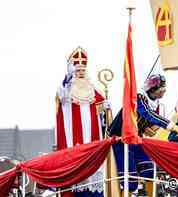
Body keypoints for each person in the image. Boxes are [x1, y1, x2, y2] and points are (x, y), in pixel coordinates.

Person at [108, 74, 178, 196]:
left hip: (136, 139)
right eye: (162, 88)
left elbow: (144, 120)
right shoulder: (138, 98)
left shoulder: (155, 103)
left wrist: (147, 128)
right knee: (130, 181)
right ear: (153, 89)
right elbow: (148, 114)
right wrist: (176, 128)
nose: (165, 90)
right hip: (121, 141)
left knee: (149, 172)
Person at [55, 46, 108, 196]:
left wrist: (105, 106)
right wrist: (67, 78)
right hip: (73, 137)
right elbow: (61, 95)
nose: (80, 73)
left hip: (92, 136)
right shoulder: (67, 88)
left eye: (82, 70)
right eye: (77, 70)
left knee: (93, 171)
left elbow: (99, 109)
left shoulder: (91, 87)